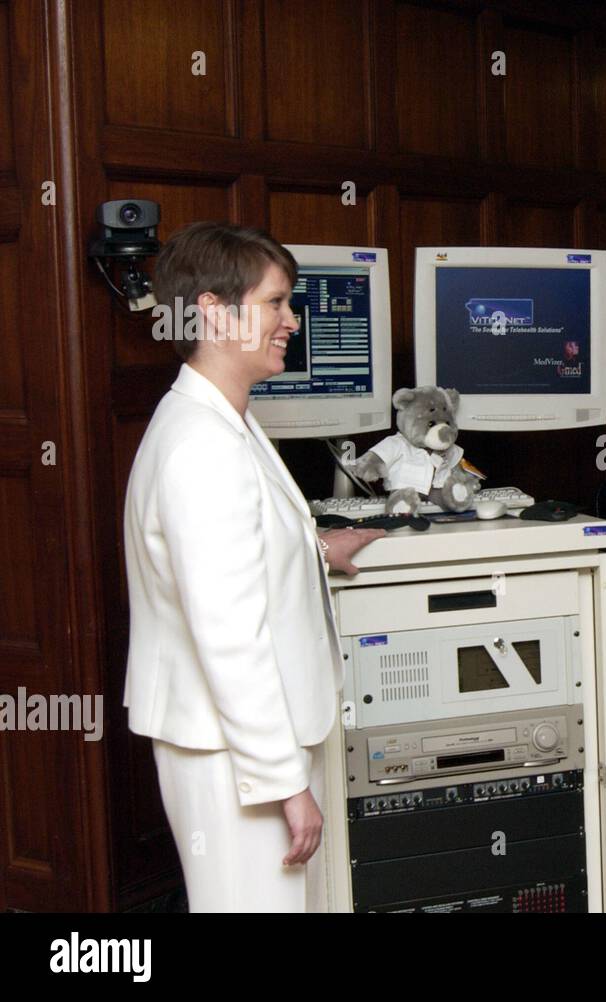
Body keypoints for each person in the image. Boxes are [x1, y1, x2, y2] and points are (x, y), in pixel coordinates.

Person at [123, 221, 383, 912]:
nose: (291, 321)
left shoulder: (223, 419)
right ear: (211, 310)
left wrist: (317, 549)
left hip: (249, 750)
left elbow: (233, 557)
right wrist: (284, 783)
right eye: (276, 303)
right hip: (234, 761)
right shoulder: (200, 448)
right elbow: (228, 634)